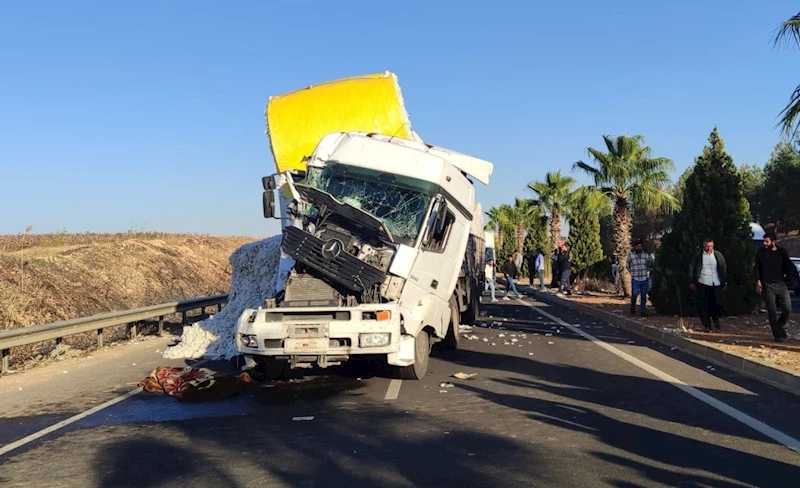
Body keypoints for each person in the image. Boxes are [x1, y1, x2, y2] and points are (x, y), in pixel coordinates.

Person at [755, 232, 800, 342]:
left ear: (773, 242)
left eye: (767, 241)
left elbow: (789, 266)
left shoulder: (781, 252)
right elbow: (757, 268)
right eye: (764, 241)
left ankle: (778, 327)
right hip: (767, 284)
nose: (764, 244)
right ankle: (778, 334)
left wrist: (794, 279)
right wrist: (758, 281)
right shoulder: (761, 253)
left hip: (781, 284)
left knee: (787, 308)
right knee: (772, 310)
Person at [688, 237, 727, 332]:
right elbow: (691, 267)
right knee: (704, 305)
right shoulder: (698, 256)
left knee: (717, 303)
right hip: (703, 282)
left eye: (710, 246)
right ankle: (707, 325)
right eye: (706, 246)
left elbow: (723, 267)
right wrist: (691, 281)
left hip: (716, 282)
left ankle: (716, 319)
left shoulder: (718, 255)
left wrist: (724, 280)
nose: (708, 248)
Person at [627, 239, 653, 316]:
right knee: (634, 294)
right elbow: (627, 265)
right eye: (637, 246)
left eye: (640, 246)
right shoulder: (631, 256)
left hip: (644, 278)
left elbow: (650, 264)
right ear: (635, 247)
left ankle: (642, 311)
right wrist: (631, 271)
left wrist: (648, 271)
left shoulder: (646, 256)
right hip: (635, 278)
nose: (639, 248)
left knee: (643, 295)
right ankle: (632, 308)